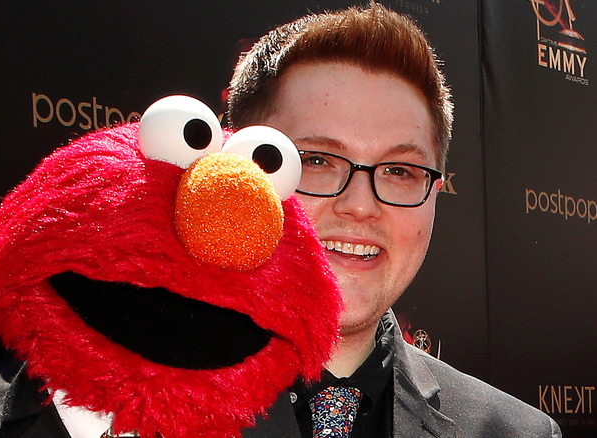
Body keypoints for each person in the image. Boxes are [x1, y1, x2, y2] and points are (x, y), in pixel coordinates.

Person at [228, 4, 561, 437]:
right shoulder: (126, 412)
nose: (361, 205)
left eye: (399, 171)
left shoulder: (516, 432)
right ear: (232, 170)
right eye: (316, 160)